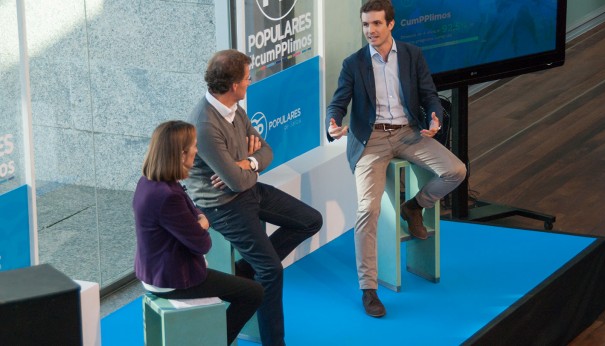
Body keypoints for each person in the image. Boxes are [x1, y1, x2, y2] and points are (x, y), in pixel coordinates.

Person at [325, 0, 467, 318]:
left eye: (376, 24)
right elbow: (338, 103)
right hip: (371, 140)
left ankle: (414, 206)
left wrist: (434, 116)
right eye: (365, 25)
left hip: (408, 133)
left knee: (456, 170)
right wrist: (331, 124)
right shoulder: (354, 63)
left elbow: (429, 93)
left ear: (391, 24)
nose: (370, 31)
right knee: (367, 210)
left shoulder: (412, 55)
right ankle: (369, 289)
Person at [182, 49, 323, 346]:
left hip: (248, 191)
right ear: (234, 85)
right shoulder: (205, 125)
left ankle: (245, 270)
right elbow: (233, 183)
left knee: (310, 220)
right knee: (271, 271)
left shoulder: (235, 110)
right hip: (221, 206)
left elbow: (267, 151)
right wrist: (243, 166)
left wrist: (248, 162)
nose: (250, 82)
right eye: (247, 78)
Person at [132, 120, 264, 346]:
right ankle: (216, 340)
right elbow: (203, 244)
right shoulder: (167, 196)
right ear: (181, 154)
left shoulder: (149, 182)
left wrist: (199, 221)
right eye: (193, 146)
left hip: (155, 271)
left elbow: (191, 211)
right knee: (253, 293)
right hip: (173, 278)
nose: (196, 150)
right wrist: (203, 224)